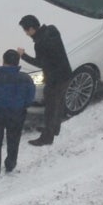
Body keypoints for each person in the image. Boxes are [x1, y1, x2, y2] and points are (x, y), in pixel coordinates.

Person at [17, 14, 72, 147]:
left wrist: (23, 55)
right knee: (58, 104)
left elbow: (40, 63)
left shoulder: (40, 44)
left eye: (26, 31)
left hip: (54, 80)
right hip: (66, 73)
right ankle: (55, 128)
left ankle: (47, 137)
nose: (26, 34)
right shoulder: (52, 30)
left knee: (50, 109)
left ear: (31, 29)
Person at [0, 48, 36, 175]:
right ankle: (10, 164)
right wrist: (22, 107)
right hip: (16, 115)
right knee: (13, 140)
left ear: (3, 60)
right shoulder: (25, 79)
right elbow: (29, 98)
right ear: (17, 62)